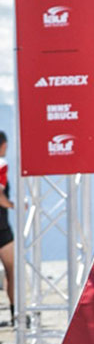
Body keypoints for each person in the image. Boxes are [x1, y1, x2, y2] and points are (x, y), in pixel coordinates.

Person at [0, 133, 14, 325]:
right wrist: (14, 205)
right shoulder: (1, 164)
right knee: (11, 270)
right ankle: (14, 313)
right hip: (1, 227)